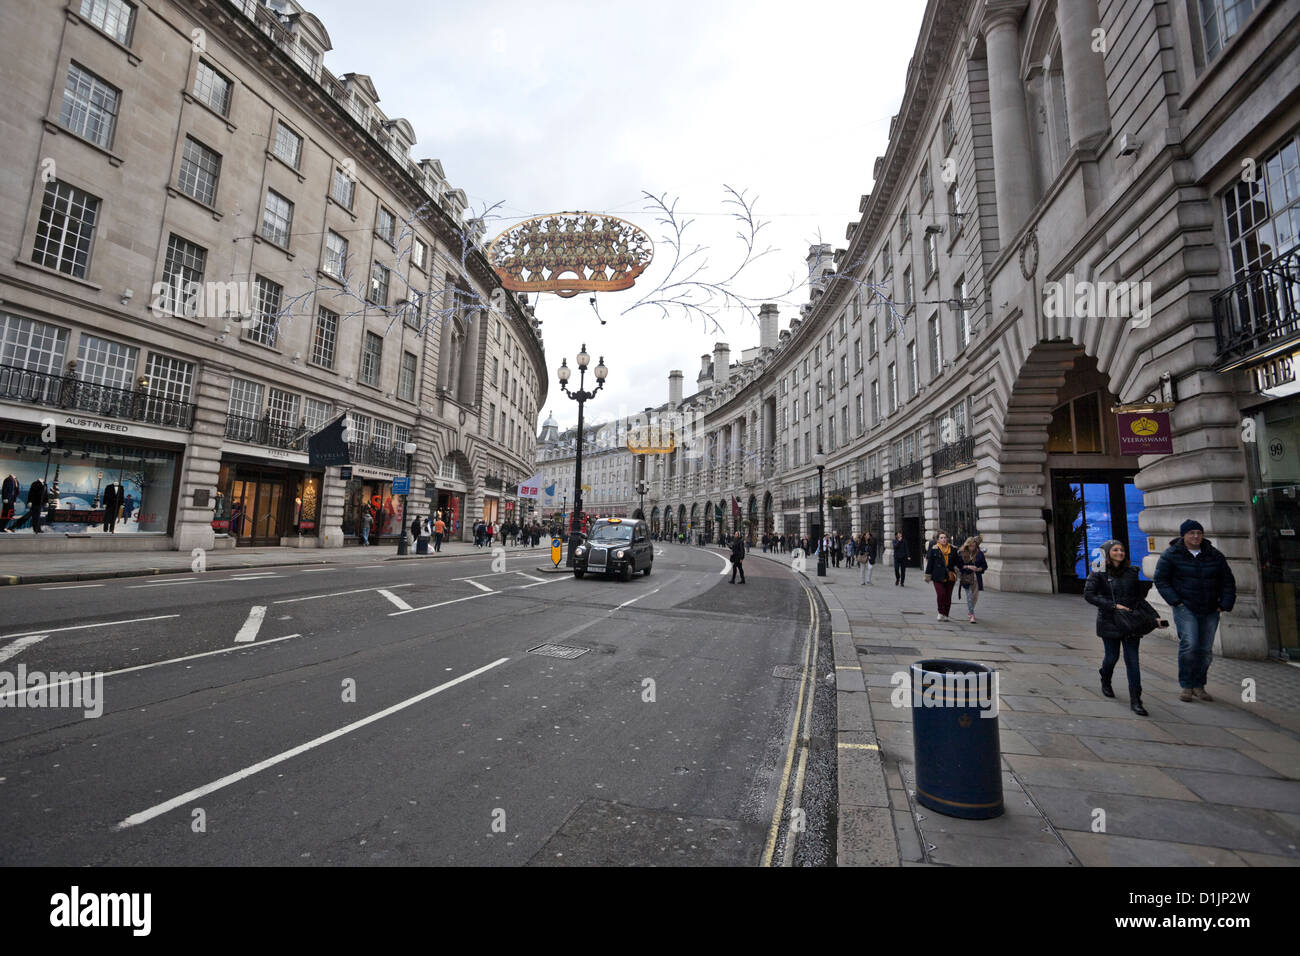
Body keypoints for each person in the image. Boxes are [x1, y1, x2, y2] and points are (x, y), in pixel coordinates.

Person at [1154, 519, 1236, 703]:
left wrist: (1224, 604)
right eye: (1192, 533)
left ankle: (1200, 685)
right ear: (1184, 535)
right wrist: (1176, 601)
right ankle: (1187, 686)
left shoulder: (1214, 555)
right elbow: (1161, 580)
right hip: (1186, 607)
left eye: (1199, 533)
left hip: (1210, 608)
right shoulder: (1172, 554)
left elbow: (1228, 582)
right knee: (1190, 645)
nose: (1196, 536)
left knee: (1205, 650)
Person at [1084, 540, 1150, 716]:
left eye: (1121, 550)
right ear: (1107, 553)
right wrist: (1113, 606)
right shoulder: (1098, 573)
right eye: (1115, 550)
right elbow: (1089, 595)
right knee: (1111, 657)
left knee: (1133, 662)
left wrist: (1151, 616)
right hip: (1110, 621)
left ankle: (1136, 700)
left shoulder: (1132, 572)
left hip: (1130, 622)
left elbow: (1139, 598)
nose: (1120, 552)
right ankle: (1105, 677)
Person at [924, 531, 958, 621]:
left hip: (950, 576)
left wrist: (960, 569)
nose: (943, 539)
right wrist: (927, 575)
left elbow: (958, 562)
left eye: (945, 537)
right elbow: (930, 563)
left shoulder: (953, 549)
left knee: (948, 596)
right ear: (938, 540)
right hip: (937, 576)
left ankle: (946, 614)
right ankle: (940, 612)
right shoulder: (934, 549)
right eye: (941, 538)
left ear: (947, 539)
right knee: (941, 594)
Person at [956, 536, 988, 623]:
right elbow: (958, 566)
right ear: (967, 545)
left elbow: (985, 565)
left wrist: (978, 569)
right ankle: (972, 614)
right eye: (970, 546)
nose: (972, 548)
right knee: (969, 596)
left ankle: (970, 610)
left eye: (973, 546)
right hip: (966, 577)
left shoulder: (979, 553)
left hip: (976, 578)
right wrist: (968, 566)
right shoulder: (962, 553)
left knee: (975, 597)